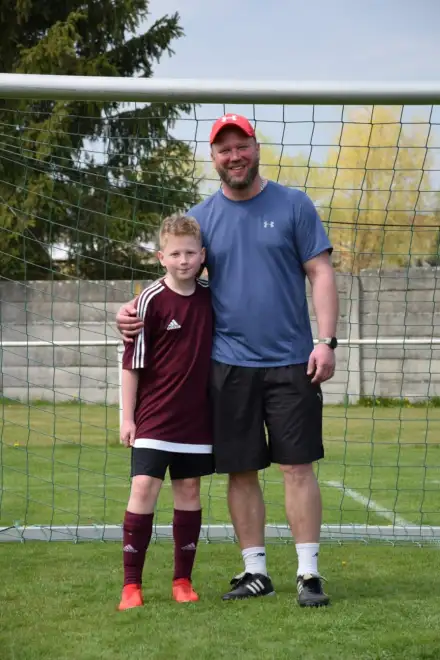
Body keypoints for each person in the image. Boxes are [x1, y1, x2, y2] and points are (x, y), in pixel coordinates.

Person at [116, 113, 339, 608]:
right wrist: (132, 309)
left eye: (241, 146)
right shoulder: (202, 219)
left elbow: (320, 272)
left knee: (297, 468)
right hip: (228, 365)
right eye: (224, 149)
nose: (234, 156)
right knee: (241, 471)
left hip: (292, 361)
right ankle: (255, 571)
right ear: (214, 157)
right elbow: (177, 276)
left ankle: (308, 573)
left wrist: (326, 340)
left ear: (255, 148)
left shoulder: (295, 205)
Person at [117, 213, 214, 611]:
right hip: (154, 417)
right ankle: (131, 586)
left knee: (189, 490)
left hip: (197, 419)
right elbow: (131, 364)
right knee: (143, 487)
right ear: (161, 257)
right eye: (175, 254)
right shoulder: (149, 301)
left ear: (202, 255)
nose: (183, 260)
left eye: (190, 253)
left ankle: (182, 581)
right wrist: (127, 418)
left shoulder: (212, 297)